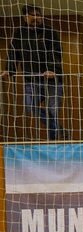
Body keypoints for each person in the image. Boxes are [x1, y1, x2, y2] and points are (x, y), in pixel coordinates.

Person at [1, 5, 66, 140]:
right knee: (30, 106)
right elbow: (13, 53)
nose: (36, 18)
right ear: (25, 17)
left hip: (52, 80)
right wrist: (9, 69)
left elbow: (56, 52)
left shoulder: (50, 31)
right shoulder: (19, 33)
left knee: (53, 111)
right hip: (31, 80)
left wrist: (53, 69)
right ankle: (58, 128)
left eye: (38, 15)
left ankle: (53, 141)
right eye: (33, 15)